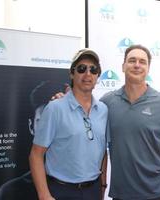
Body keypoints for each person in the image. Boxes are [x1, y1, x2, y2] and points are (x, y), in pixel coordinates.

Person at [53, 44, 160, 200]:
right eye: (132, 60)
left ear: (148, 69)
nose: (137, 65)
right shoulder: (107, 102)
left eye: (142, 62)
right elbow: (84, 114)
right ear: (123, 66)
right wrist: (65, 101)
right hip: (122, 195)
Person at [29, 49, 108, 200]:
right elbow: (36, 155)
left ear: (98, 75)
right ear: (72, 74)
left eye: (93, 69)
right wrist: (44, 195)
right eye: (81, 69)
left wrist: (103, 187)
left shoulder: (103, 110)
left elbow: (103, 151)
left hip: (93, 190)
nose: (88, 74)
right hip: (61, 191)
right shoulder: (55, 108)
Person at [0, 80, 68, 200]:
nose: (49, 129)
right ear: (31, 126)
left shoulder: (83, 182)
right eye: (42, 121)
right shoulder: (11, 192)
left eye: (56, 120)